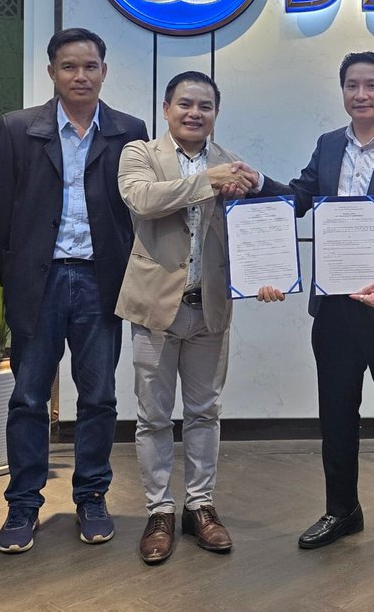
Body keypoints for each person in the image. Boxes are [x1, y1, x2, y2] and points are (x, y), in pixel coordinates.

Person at [248, 51, 374, 565]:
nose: (361, 94)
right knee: (336, 415)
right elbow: (299, 198)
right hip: (335, 309)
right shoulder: (329, 145)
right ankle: (342, 510)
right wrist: (257, 183)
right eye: (352, 85)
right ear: (343, 92)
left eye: (371, 85)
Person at [0, 28, 150, 553]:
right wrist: (15, 278)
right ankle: (23, 503)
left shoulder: (130, 131)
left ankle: (92, 497)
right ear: (51, 72)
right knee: (28, 397)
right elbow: (1, 213)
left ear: (104, 70)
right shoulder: (18, 129)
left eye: (90, 66)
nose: (80, 76)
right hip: (39, 281)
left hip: (101, 280)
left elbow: (138, 208)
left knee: (99, 396)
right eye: (68, 66)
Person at [116, 71, 262, 564]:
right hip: (155, 307)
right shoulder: (140, 154)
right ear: (166, 109)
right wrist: (207, 182)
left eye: (205, 105)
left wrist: (267, 276)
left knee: (204, 412)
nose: (195, 113)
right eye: (185, 104)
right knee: (153, 417)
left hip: (210, 307)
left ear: (216, 113)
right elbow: (143, 200)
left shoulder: (231, 162)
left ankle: (200, 506)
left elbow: (253, 229)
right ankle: (159, 511)